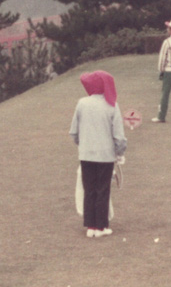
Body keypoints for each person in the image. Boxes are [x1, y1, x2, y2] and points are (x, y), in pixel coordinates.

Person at [69, 71, 127, 238]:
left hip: (86, 154)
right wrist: (120, 153)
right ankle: (101, 227)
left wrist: (84, 144)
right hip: (105, 155)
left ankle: (91, 226)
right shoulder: (112, 105)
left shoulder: (82, 103)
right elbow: (119, 136)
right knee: (102, 189)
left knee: (89, 189)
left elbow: (74, 132)